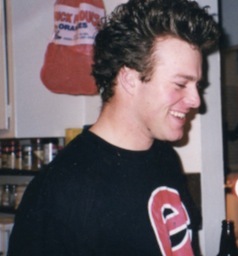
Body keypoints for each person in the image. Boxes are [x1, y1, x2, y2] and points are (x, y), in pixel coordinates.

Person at [7, 0, 220, 255]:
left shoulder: (166, 157)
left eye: (197, 85)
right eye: (180, 84)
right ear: (129, 79)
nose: (196, 100)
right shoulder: (59, 191)